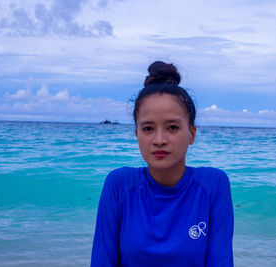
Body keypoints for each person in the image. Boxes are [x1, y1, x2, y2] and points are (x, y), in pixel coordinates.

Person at [90, 61, 234, 266]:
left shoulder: (213, 185)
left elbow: (221, 260)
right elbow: (102, 261)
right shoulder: (119, 185)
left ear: (191, 134)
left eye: (172, 127)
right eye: (148, 128)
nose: (159, 139)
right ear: (136, 134)